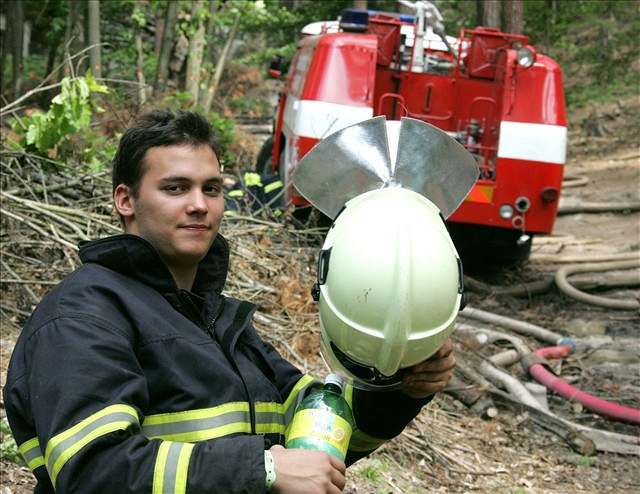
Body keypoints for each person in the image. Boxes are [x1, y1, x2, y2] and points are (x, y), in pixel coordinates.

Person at [3, 110, 456, 494]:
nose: (199, 205)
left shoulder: (219, 322)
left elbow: (321, 441)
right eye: (176, 188)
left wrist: (401, 387)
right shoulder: (83, 316)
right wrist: (263, 469)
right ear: (126, 200)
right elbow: (93, 471)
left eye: (212, 188)